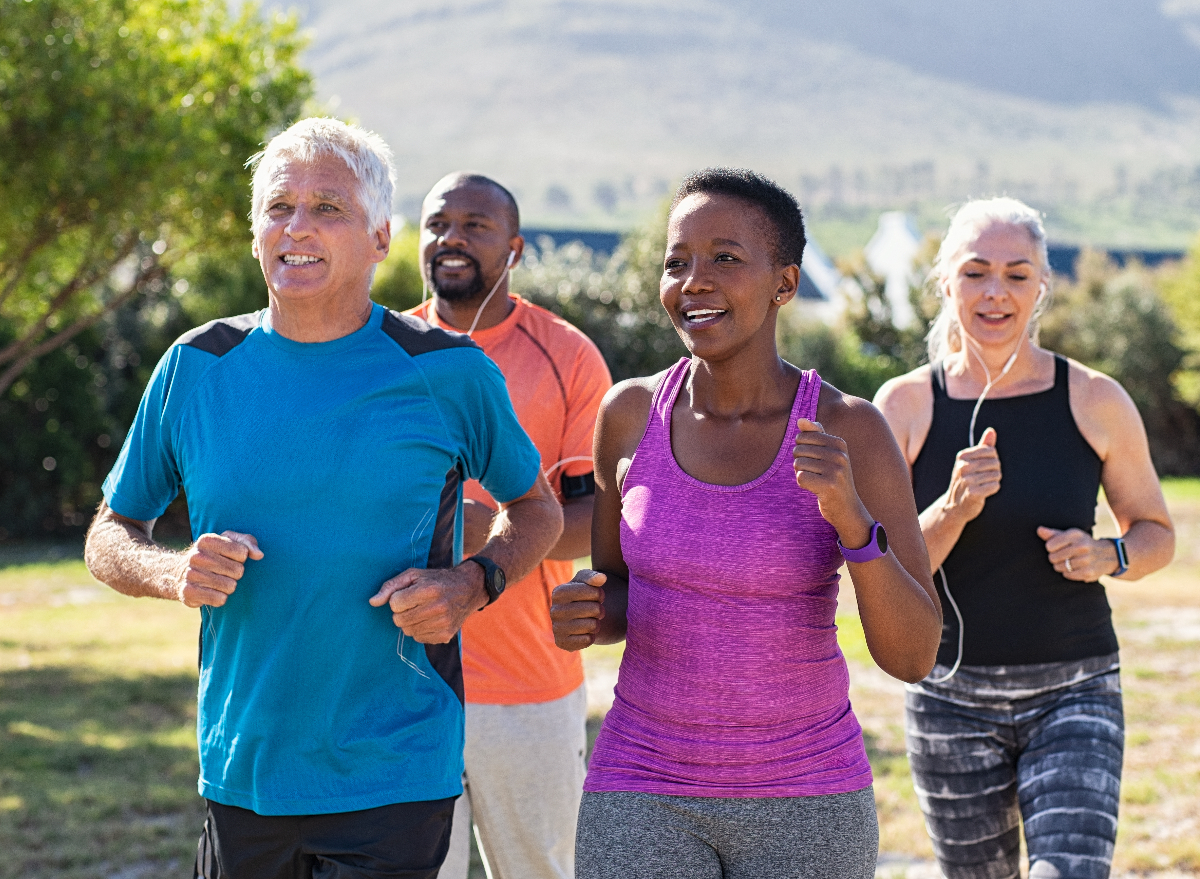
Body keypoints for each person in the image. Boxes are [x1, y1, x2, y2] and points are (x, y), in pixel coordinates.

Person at [82, 118, 564, 879]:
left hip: (395, 768)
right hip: (243, 769)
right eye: (279, 207)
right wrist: (173, 572)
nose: (297, 227)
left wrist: (472, 582)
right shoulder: (195, 366)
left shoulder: (448, 371)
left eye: (328, 208)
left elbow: (538, 508)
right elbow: (110, 532)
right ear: (254, 233)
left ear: (379, 238)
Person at [549, 168, 942, 879]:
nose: (693, 280)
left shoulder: (850, 427)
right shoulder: (628, 414)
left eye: (725, 258)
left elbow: (913, 654)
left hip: (806, 796)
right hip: (641, 782)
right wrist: (585, 607)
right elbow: (617, 597)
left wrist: (851, 518)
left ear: (784, 283)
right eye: (677, 261)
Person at [874, 197, 1176, 879]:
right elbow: (883, 568)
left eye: (1016, 274)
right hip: (949, 695)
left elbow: (1157, 532)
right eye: (976, 272)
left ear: (1042, 286)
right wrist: (952, 506)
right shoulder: (904, 406)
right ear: (946, 281)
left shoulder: (1095, 398)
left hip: (1076, 688)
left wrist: (1109, 554)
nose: (995, 292)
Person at [406, 172, 612, 879]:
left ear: (514, 247)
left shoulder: (568, 355)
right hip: (398, 683)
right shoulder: (378, 352)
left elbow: (598, 520)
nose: (451, 238)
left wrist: (492, 528)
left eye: (475, 225)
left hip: (528, 685)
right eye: (438, 224)